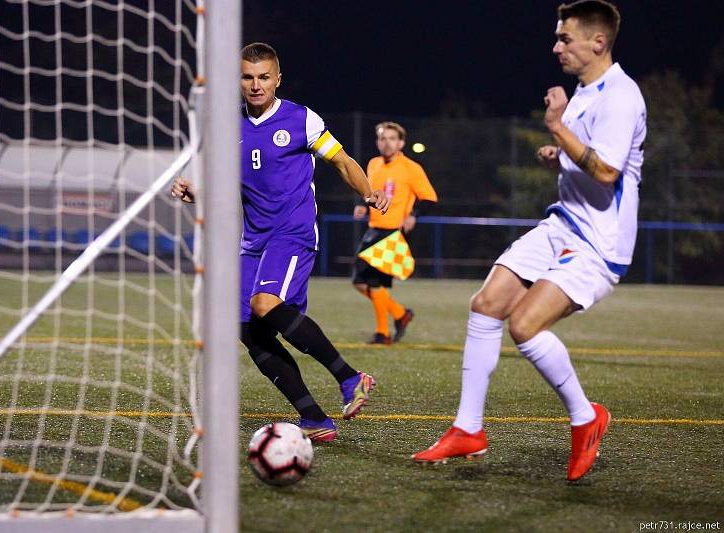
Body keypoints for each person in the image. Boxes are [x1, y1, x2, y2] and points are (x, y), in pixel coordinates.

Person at [412, 0, 646, 482]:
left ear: (597, 42)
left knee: (524, 326)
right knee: (485, 304)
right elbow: (585, 156)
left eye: (565, 38)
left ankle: (586, 419)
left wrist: (558, 128)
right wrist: (557, 151)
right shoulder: (584, 92)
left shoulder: (621, 96)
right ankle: (468, 429)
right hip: (563, 223)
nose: (555, 45)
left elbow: (606, 171)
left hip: (600, 243)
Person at [172, 42, 389, 443]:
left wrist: (368, 192)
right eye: (247, 77)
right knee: (247, 329)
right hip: (253, 241)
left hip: (293, 233)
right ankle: (313, 417)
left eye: (263, 77)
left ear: (277, 79)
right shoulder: (226, 127)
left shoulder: (300, 119)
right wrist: (194, 190)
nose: (256, 86)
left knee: (265, 305)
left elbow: (341, 161)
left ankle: (350, 378)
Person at [352, 122, 437, 345]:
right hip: (373, 228)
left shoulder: (411, 168)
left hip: (392, 232)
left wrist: (413, 216)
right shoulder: (373, 164)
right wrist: (364, 205)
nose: (387, 143)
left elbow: (429, 197)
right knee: (360, 281)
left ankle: (383, 334)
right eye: (382, 138)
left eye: (392, 138)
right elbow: (370, 194)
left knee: (373, 281)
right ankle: (400, 314)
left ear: (401, 143)